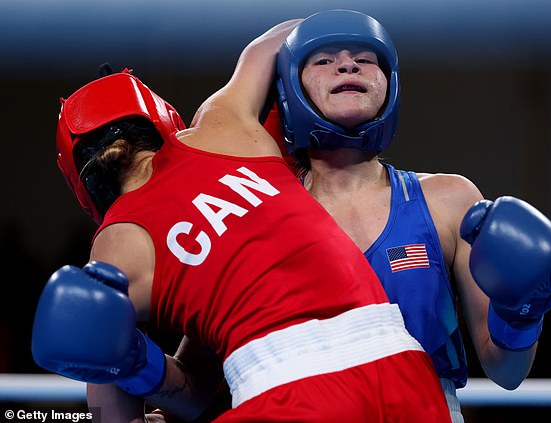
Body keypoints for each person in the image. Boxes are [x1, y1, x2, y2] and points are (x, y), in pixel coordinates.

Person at [30, 20, 452, 422]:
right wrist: (347, 42)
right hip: (405, 371)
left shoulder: (116, 247)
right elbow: (279, 38)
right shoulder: (223, 125)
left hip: (288, 391)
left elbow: (123, 408)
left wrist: (139, 366)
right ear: (162, 121)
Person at [273, 9, 551, 422]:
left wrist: (520, 315)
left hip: (426, 410)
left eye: (365, 60)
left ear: (389, 83)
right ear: (291, 87)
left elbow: (506, 372)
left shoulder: (448, 200)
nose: (347, 64)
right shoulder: (263, 209)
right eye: (324, 60)